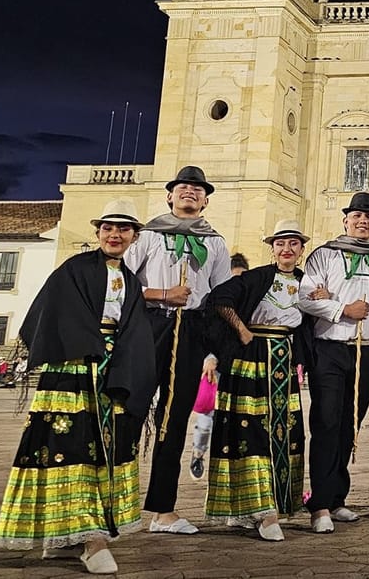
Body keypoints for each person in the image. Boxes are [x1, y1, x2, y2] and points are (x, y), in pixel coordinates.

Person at [0, 199, 156, 574]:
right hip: (74, 370)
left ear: (134, 236)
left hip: (111, 373)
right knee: (69, 448)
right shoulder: (73, 269)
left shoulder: (131, 279)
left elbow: (134, 326)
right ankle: (85, 537)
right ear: (98, 232)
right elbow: (55, 313)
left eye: (124, 229)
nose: (115, 235)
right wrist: (89, 344)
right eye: (109, 228)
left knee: (102, 451)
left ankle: (66, 539)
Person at [125, 166, 232, 534]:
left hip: (192, 330)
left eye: (197, 189)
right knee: (130, 412)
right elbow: (118, 284)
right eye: (183, 187)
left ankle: (163, 510)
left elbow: (221, 297)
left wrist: (214, 349)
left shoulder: (215, 242)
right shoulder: (147, 236)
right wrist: (162, 294)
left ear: (205, 199)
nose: (190, 192)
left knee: (173, 419)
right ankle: (114, 504)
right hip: (149, 325)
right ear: (169, 195)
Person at [202, 220, 314, 541]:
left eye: (293, 243)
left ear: (301, 250)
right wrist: (241, 328)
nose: (287, 249)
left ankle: (272, 505)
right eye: (281, 243)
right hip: (250, 360)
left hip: (283, 359)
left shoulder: (307, 283)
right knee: (247, 431)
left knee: (283, 431)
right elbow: (220, 299)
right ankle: (257, 509)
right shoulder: (255, 278)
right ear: (273, 248)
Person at [298, 192, 369, 534]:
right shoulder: (324, 254)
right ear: (346, 219)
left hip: (367, 349)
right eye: (357, 215)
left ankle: (337, 497)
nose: (363, 221)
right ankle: (320, 504)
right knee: (326, 422)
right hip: (331, 348)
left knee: (349, 425)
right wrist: (342, 309)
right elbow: (307, 297)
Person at [189, 253, 250, 481]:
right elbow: (205, 332)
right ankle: (198, 452)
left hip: (240, 364)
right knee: (207, 417)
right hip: (216, 364)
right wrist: (209, 356)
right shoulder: (214, 302)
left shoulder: (247, 302)